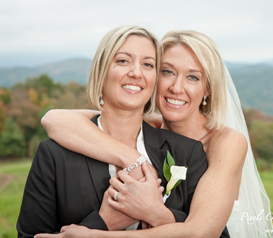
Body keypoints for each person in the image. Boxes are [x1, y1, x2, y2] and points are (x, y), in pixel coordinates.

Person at [36, 30, 273, 237]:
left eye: (192, 77)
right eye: (167, 72)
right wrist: (132, 159)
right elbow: (54, 119)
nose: (176, 87)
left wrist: (102, 233)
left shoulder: (225, 141)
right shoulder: (149, 126)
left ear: (207, 88)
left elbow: (202, 232)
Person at [17, 26, 210, 237]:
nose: (136, 73)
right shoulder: (54, 155)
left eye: (147, 64)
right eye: (123, 61)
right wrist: (103, 222)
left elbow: (210, 232)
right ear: (101, 71)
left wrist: (158, 214)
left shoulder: (186, 152)